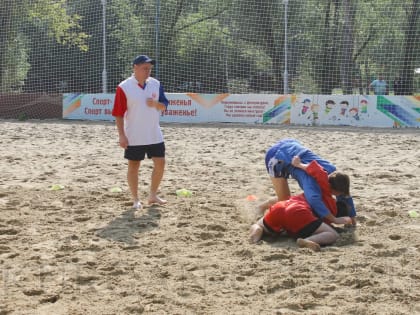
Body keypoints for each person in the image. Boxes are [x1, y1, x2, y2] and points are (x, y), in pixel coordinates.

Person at [249, 156, 352, 251]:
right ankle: (308, 240)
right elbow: (323, 223)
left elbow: (318, 170)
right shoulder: (331, 209)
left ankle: (253, 239)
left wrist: (299, 165)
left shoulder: (319, 185)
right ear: (338, 192)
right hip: (299, 212)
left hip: (282, 206)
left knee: (259, 225)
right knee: (332, 234)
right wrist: (341, 221)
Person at [112, 55, 169, 209]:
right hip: (134, 135)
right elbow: (118, 113)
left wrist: (156, 104)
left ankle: (152, 195)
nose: (148, 71)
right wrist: (121, 135)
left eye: (149, 68)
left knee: (160, 162)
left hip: (154, 132)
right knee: (134, 165)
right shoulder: (124, 87)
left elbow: (164, 105)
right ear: (135, 68)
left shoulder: (156, 84)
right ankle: (136, 199)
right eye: (145, 68)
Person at [258, 138, 356, 225]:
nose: (337, 197)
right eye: (337, 194)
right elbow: (314, 200)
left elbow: (345, 195)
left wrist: (353, 220)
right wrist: (334, 219)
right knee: (284, 200)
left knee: (290, 199)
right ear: (331, 187)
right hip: (277, 156)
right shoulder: (313, 184)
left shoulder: (333, 172)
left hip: (291, 145)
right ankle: (261, 207)